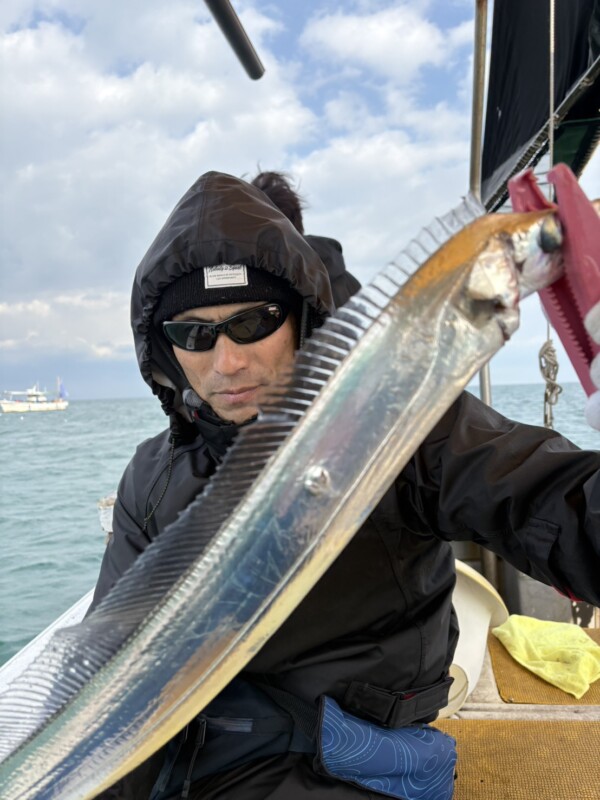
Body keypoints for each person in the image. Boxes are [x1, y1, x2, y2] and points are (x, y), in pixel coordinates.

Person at [92, 170, 600, 799]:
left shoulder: (400, 422)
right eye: (193, 334)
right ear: (164, 350)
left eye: (253, 323)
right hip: (197, 763)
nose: (226, 362)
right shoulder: (154, 473)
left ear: (302, 317)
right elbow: (115, 679)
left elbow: (559, 508)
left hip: (358, 766)